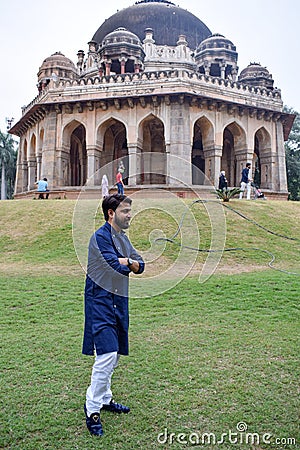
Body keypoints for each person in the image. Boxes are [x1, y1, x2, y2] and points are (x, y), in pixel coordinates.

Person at [82, 194, 145, 436]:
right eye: (125, 211)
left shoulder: (122, 238)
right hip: (100, 302)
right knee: (106, 354)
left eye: (130, 210)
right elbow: (113, 265)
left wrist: (128, 260)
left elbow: (140, 265)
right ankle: (92, 409)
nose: (130, 215)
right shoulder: (100, 237)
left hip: (119, 301)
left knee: (114, 354)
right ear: (111, 213)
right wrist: (128, 262)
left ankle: (105, 399)